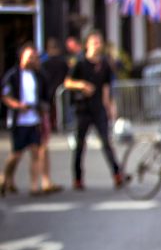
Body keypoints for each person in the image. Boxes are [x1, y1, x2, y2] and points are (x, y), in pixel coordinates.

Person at [64, 32, 124, 191]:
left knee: (106, 142)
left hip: (98, 108)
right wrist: (82, 85)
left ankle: (117, 175)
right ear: (87, 45)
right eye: (95, 42)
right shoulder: (80, 62)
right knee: (80, 144)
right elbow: (68, 82)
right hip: (82, 108)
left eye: (100, 42)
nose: (98, 45)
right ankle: (77, 178)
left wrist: (110, 107)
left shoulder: (104, 64)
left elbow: (106, 87)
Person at [2, 44, 63, 197]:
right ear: (22, 58)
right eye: (30, 57)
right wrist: (18, 105)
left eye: (35, 57)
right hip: (19, 120)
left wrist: (43, 107)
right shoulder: (13, 75)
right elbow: (5, 95)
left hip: (34, 119)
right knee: (16, 153)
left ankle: (33, 186)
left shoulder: (39, 75)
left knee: (36, 151)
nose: (32, 60)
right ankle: (4, 177)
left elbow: (45, 95)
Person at [40, 38, 69, 132]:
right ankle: (58, 125)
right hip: (60, 88)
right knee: (59, 109)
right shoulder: (63, 62)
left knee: (49, 110)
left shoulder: (44, 63)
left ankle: (51, 125)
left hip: (49, 88)